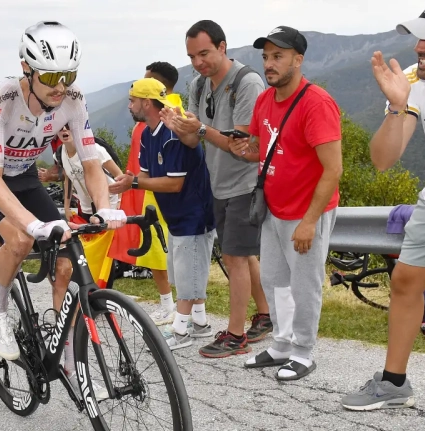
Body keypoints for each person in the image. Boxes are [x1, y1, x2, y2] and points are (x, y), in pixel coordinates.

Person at [0, 20, 126, 396]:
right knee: (19, 239)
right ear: (27, 69)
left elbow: (90, 162)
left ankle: (68, 359)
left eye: (68, 74)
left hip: (26, 177)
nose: (60, 86)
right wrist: (33, 225)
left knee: (68, 258)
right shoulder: (3, 98)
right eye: (50, 77)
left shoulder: (73, 98)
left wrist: (104, 208)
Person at [227, 26, 342, 381]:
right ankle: (281, 345)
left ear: (298, 59)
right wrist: (246, 150)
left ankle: (304, 352)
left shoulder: (316, 103)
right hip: (273, 208)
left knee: (304, 284)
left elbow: (333, 169)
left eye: (278, 56)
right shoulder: (265, 100)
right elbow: (264, 148)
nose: (269, 64)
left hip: (305, 210)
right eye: (265, 57)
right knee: (277, 280)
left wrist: (309, 221)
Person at [342, 2, 425, 409]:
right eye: (419, 37)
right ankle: (394, 382)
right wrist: (398, 107)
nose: (420, 46)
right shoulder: (415, 81)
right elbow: (383, 159)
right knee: (405, 283)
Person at [169, 21, 272, 355]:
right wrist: (179, 127)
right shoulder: (199, 85)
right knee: (242, 254)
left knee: (234, 257)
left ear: (222, 47)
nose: (198, 62)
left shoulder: (247, 82)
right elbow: (193, 138)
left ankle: (236, 335)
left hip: (244, 182)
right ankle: (266, 315)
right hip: (218, 183)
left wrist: (198, 128)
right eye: (192, 56)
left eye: (204, 53)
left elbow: (239, 144)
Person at [121, 78, 215, 350]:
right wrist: (126, 180)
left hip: (194, 214)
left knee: (188, 274)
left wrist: (135, 183)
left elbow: (174, 183)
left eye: (133, 100)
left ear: (146, 103)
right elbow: (146, 175)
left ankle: (181, 331)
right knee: (184, 271)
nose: (129, 105)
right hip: (176, 217)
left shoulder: (171, 133)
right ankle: (201, 324)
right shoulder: (147, 134)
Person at [109, 62, 184, 325]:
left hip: (156, 193)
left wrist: (135, 184)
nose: (131, 103)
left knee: (161, 253)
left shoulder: (167, 117)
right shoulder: (175, 109)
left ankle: (175, 308)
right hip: (150, 189)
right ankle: (176, 308)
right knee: (163, 253)